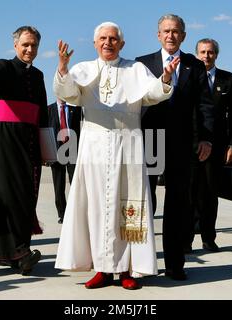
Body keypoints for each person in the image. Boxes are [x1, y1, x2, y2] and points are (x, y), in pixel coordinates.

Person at [53, 22, 179, 290]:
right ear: (95, 42)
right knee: (96, 208)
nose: (107, 42)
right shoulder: (83, 70)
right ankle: (102, 268)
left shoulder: (135, 69)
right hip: (94, 147)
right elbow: (68, 93)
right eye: (102, 38)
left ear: (121, 44)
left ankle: (127, 270)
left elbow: (154, 94)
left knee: (129, 206)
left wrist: (166, 78)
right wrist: (63, 68)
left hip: (128, 145)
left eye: (113, 39)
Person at [136, 14, 214, 280]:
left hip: (181, 143)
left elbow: (205, 104)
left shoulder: (194, 65)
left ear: (183, 36)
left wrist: (206, 138)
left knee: (178, 203)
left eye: (176, 31)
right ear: (158, 35)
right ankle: (140, 261)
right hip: (149, 139)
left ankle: (174, 263)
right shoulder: (142, 64)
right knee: (143, 200)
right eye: (166, 31)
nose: (171, 35)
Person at [0, 26, 48, 275]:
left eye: (33, 45)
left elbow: (43, 112)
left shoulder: (38, 75)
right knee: (8, 194)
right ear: (15, 45)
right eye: (25, 44)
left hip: (29, 140)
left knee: (27, 195)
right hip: (4, 140)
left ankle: (18, 252)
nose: (29, 49)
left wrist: (48, 145)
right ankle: (18, 251)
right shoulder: (4, 65)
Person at [190, 38, 232, 252]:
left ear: (216, 55)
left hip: (217, 146)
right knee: (190, 192)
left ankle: (208, 238)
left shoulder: (228, 79)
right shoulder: (189, 77)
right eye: (202, 52)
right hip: (191, 144)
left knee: (210, 193)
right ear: (196, 54)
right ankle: (186, 239)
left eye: (210, 52)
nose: (206, 56)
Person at [47, 98, 82, 224]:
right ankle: (62, 214)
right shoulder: (49, 110)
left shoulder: (76, 110)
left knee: (75, 184)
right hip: (56, 152)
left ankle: (75, 212)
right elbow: (46, 131)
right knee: (58, 186)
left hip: (72, 151)